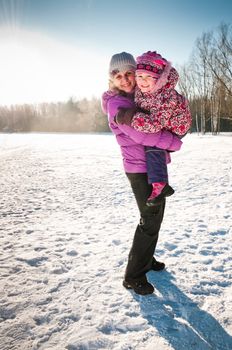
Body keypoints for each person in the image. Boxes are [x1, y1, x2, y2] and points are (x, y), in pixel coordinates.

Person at [101, 52, 183, 295]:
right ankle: (133, 276)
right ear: (111, 79)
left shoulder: (136, 97)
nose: (125, 80)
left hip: (150, 166)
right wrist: (173, 142)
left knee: (155, 217)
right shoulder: (119, 104)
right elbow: (142, 135)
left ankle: (146, 259)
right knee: (149, 220)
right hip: (139, 169)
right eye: (118, 76)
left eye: (129, 74)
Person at [116, 51, 192, 206]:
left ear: (158, 79)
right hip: (161, 120)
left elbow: (155, 124)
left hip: (177, 126)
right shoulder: (142, 89)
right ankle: (161, 183)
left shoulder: (165, 97)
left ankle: (160, 185)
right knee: (152, 141)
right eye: (140, 76)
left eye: (148, 77)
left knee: (153, 144)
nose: (143, 81)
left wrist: (132, 118)